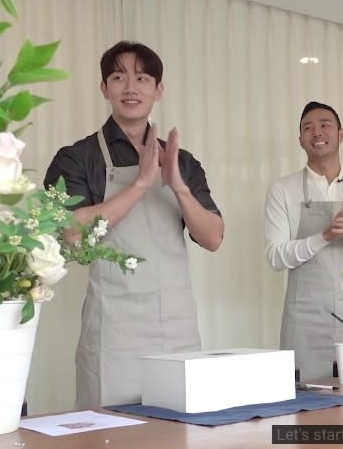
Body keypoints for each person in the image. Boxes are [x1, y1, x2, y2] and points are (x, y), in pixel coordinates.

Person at [44, 41, 224, 408]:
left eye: (142, 78)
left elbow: (213, 237)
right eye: (118, 77)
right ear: (104, 88)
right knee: (111, 434)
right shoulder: (77, 158)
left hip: (177, 326)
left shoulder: (182, 161)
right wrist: (141, 182)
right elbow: (72, 232)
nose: (130, 87)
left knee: (180, 431)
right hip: (113, 330)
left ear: (158, 89)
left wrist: (177, 186)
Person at [264, 101, 343, 381]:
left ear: (341, 134)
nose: (316, 131)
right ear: (300, 140)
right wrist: (324, 236)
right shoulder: (283, 190)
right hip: (303, 321)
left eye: (325, 125)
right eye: (308, 127)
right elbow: (275, 256)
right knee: (304, 417)